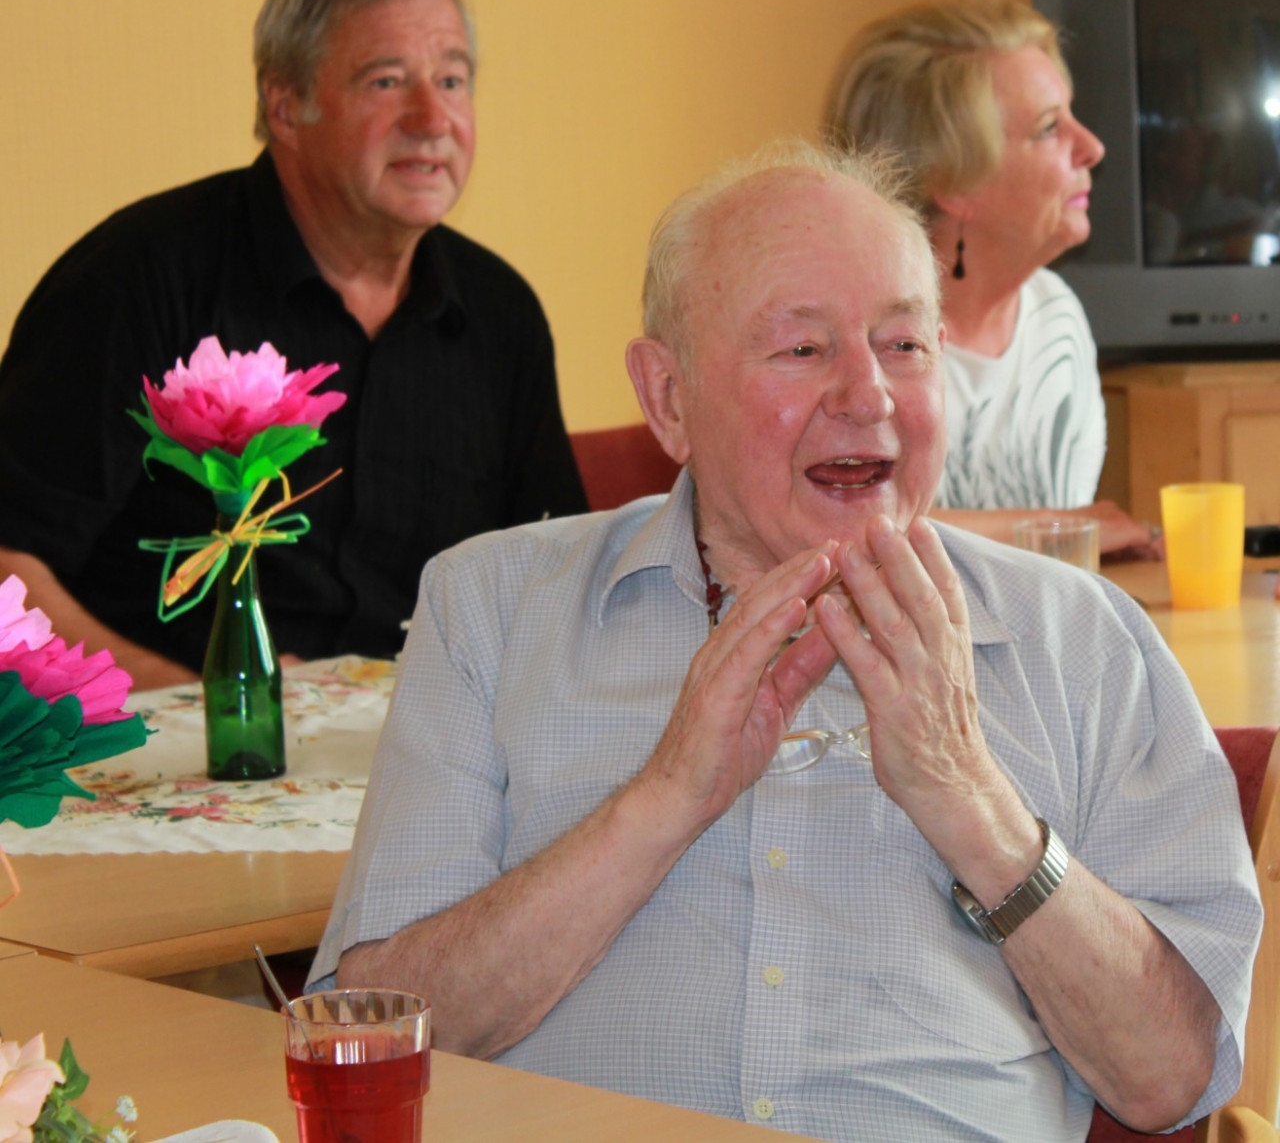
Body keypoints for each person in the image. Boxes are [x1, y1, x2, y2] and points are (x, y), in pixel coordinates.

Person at [310, 140, 1260, 1142]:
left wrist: (969, 799)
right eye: (803, 350)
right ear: (667, 398)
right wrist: (668, 796)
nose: (867, 396)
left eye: (903, 345)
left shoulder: (1081, 638)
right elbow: (366, 1042)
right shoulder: (490, 611)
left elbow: (1169, 1080)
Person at [0, 0, 586, 689]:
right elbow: (9, 565)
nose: (432, 117)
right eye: (386, 81)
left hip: (411, 752)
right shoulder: (134, 280)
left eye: (452, 80)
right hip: (160, 745)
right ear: (286, 104)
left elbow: (555, 576)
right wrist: (205, 700)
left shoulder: (500, 312)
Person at [826, 0, 1157, 558]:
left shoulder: (1056, 317)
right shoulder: (854, 347)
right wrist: (1061, 524)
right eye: (1050, 128)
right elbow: (854, 533)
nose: (1094, 148)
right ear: (954, 180)